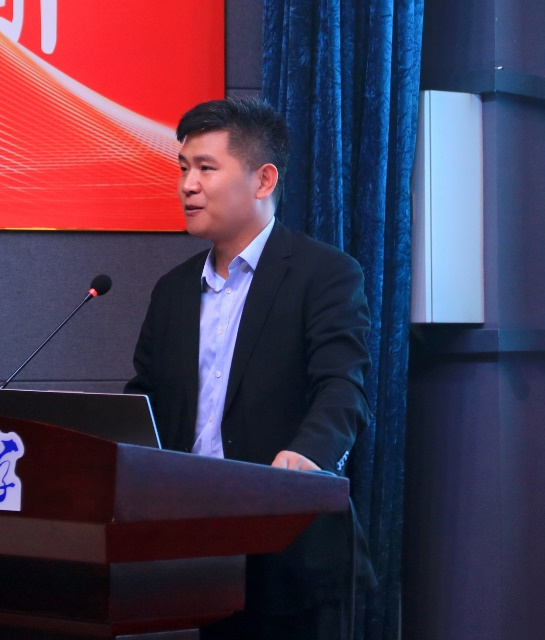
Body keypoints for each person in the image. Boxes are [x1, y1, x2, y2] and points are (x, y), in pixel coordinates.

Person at [124, 98, 374, 640]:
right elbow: (145, 401)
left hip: (292, 552)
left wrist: (309, 455)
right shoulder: (172, 292)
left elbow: (342, 386)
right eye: (183, 168)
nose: (188, 185)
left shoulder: (325, 274)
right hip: (199, 552)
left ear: (263, 180)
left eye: (206, 168)